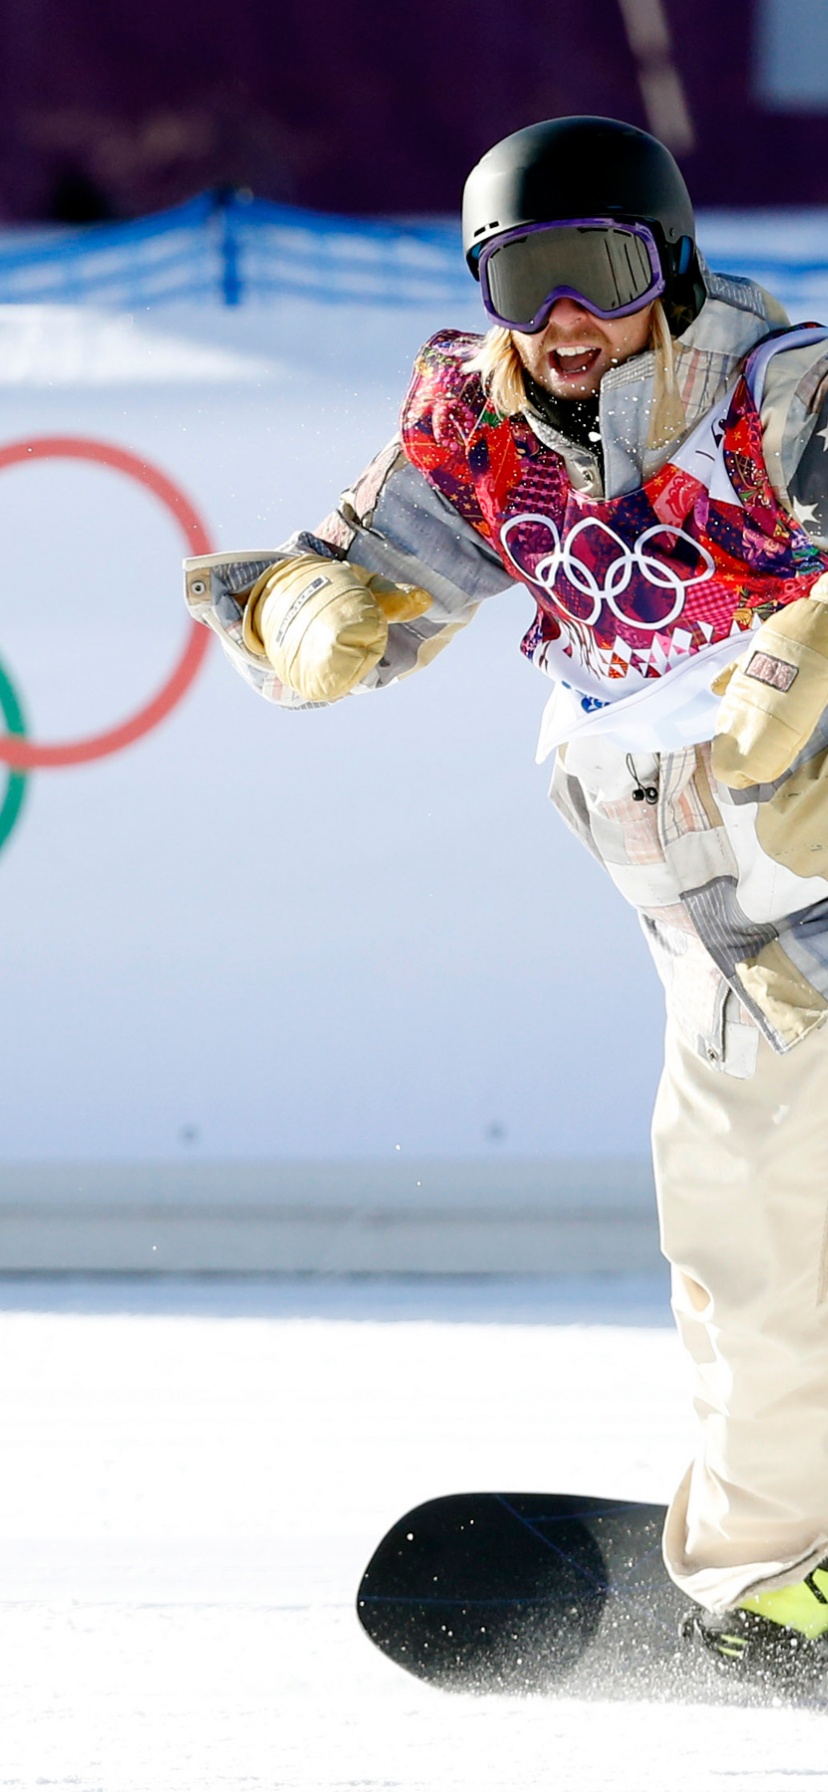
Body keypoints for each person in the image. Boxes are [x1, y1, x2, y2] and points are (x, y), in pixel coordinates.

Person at [185, 115, 828, 1678]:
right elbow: (337, 583)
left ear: (666, 266)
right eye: (520, 282)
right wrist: (304, 614)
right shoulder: (476, 428)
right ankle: (774, 1573)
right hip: (719, 928)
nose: (562, 324)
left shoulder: (775, 393)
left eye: (594, 275)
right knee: (744, 1242)